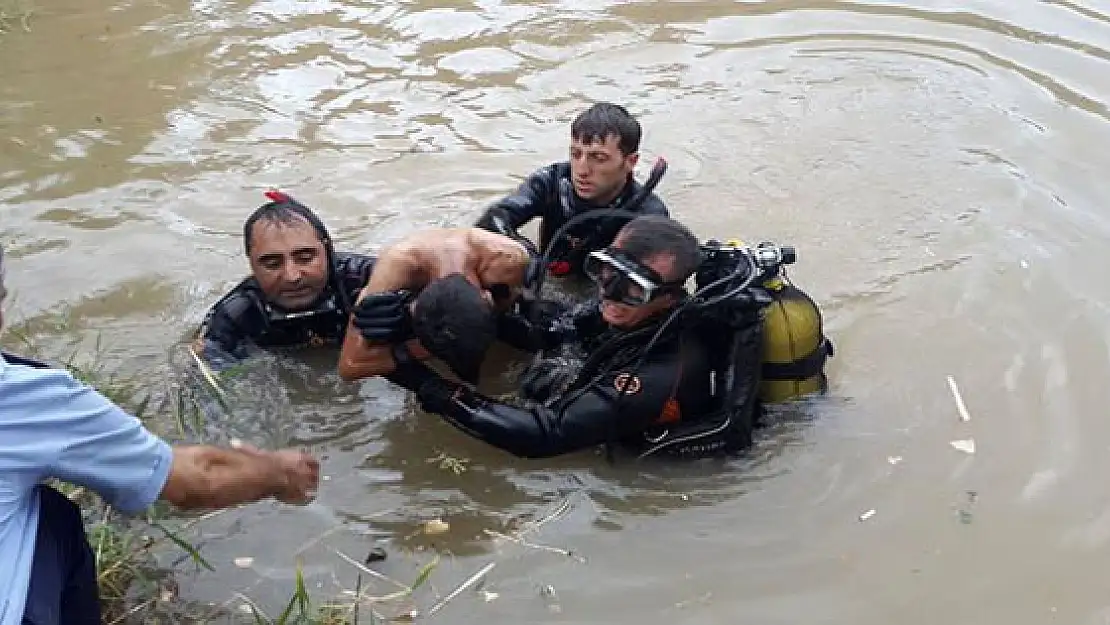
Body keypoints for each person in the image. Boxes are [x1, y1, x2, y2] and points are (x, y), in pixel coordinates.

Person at [0, 243, 321, 624]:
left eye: (305, 257)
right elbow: (188, 482)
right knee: (54, 516)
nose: (292, 274)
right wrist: (279, 472)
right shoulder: (23, 394)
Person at [371, 215, 797, 460]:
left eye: (631, 289)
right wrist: (450, 311)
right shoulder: (626, 310)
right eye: (604, 272)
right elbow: (557, 332)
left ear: (668, 297)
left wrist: (423, 382)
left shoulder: (658, 373)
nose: (608, 294)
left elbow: (542, 436)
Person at [473, 102, 670, 280]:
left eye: (598, 158)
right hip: (549, 273)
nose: (582, 170)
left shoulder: (648, 215)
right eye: (576, 154)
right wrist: (528, 258)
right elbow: (493, 220)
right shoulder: (552, 182)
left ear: (630, 162)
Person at [192, 190, 376, 369]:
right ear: (252, 264)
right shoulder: (236, 316)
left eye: (305, 258)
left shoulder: (363, 279)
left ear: (327, 251)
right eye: (272, 264)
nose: (292, 276)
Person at [336, 226, 542, 385]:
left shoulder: (506, 261)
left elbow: (497, 316)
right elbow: (350, 367)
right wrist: (420, 349)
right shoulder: (396, 265)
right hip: (416, 286)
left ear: (486, 295)